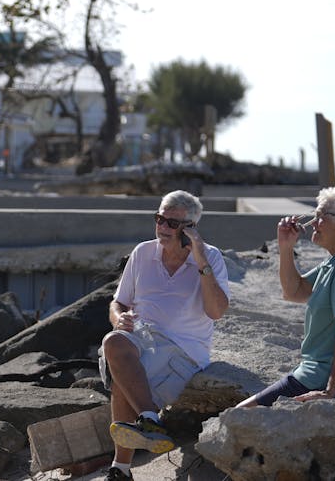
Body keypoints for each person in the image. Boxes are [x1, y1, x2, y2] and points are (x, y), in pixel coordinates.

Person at [99, 190, 230, 480]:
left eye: (172, 223)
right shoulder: (142, 252)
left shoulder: (210, 258)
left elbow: (217, 311)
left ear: (190, 229)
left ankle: (120, 469)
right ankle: (149, 419)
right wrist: (120, 318)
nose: (162, 227)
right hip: (141, 337)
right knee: (114, 341)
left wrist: (200, 260)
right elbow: (118, 302)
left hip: (182, 350)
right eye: (159, 219)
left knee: (124, 373)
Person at [238, 186, 335, 408]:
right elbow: (295, 292)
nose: (312, 223)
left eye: (322, 216)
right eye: (314, 215)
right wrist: (286, 247)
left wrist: (329, 391)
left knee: (238, 414)